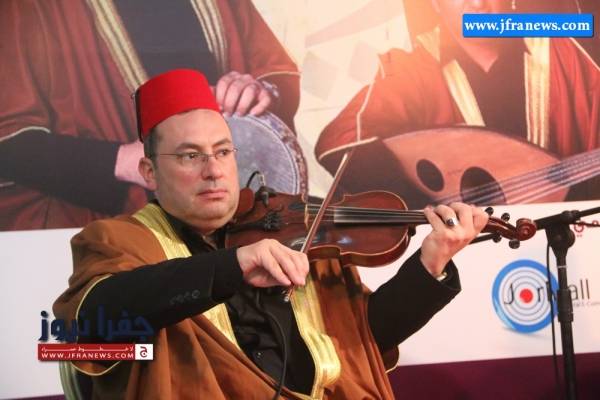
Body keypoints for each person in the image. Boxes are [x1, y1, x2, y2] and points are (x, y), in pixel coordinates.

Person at [53, 69, 488, 399]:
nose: (213, 170)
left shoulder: (296, 231)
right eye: (189, 156)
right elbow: (91, 323)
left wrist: (431, 263)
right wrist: (233, 266)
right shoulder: (117, 239)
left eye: (223, 151)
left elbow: (363, 342)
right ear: (149, 172)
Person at [0, 0, 299, 231]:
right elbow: (10, 143)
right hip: (104, 229)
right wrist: (123, 161)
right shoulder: (29, 8)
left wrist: (263, 91)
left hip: (231, 220)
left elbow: (272, 67)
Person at [315, 0, 600, 206]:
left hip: (569, 239)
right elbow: (338, 143)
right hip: (468, 251)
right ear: (435, 4)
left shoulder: (565, 51)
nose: (477, 4)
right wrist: (429, 207)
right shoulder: (413, 71)